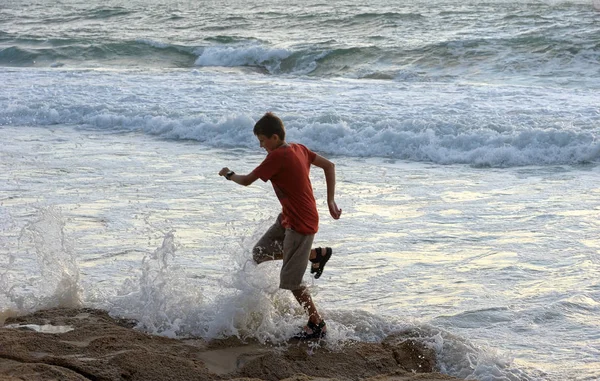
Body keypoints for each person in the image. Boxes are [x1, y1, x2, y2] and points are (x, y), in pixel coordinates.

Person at [219, 112, 342, 339]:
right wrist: (330, 200)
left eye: (262, 141)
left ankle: (317, 323)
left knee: (291, 281)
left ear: (274, 137)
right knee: (259, 253)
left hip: (300, 224)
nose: (261, 146)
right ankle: (315, 255)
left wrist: (229, 174)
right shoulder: (299, 148)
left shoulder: (278, 156)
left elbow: (246, 181)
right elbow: (329, 166)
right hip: (287, 217)